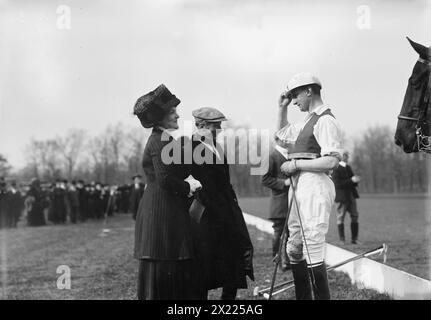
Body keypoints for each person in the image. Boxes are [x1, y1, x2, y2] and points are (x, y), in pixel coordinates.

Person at [277, 72, 343, 300]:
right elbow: (281, 137)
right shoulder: (307, 121)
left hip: (315, 186)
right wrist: (281, 108)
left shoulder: (325, 120)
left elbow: (332, 160)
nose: (294, 101)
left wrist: (296, 164)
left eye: (295, 95)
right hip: (299, 186)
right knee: (294, 248)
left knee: (312, 246)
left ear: (309, 91)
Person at [133, 84, 202, 300]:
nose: (177, 115)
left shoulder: (165, 139)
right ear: (161, 118)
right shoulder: (159, 140)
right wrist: (189, 186)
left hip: (165, 209)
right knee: (163, 264)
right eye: (172, 112)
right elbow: (164, 179)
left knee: (167, 264)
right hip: (160, 212)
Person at [190, 107, 254, 300]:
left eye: (219, 126)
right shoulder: (189, 148)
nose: (218, 129)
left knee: (234, 264)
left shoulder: (216, 147)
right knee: (204, 268)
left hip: (226, 212)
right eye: (214, 126)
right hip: (206, 216)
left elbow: (223, 182)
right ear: (200, 125)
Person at [261, 134, 291, 271]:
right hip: (279, 202)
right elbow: (265, 179)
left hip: (293, 202)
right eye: (284, 138)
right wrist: (283, 183)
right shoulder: (271, 156)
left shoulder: (292, 155)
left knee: (291, 233)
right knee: (279, 233)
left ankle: (289, 261)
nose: (287, 140)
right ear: (277, 139)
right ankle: (277, 261)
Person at [332, 151, 361, 244]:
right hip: (341, 197)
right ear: (341, 156)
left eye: (347, 155)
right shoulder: (335, 168)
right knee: (340, 218)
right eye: (345, 155)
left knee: (355, 216)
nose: (347, 157)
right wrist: (351, 180)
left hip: (351, 196)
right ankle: (342, 240)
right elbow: (337, 184)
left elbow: (352, 181)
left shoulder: (348, 167)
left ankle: (354, 239)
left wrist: (355, 180)